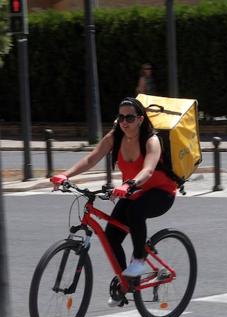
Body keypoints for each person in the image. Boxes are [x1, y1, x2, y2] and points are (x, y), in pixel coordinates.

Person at [50, 97, 177, 306]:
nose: (124, 122)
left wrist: (128, 185)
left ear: (140, 119)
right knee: (111, 238)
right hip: (132, 192)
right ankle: (126, 282)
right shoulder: (115, 136)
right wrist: (66, 175)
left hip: (161, 193)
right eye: (121, 117)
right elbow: (92, 158)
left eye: (130, 117)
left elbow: (148, 170)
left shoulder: (151, 140)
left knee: (136, 212)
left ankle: (138, 261)